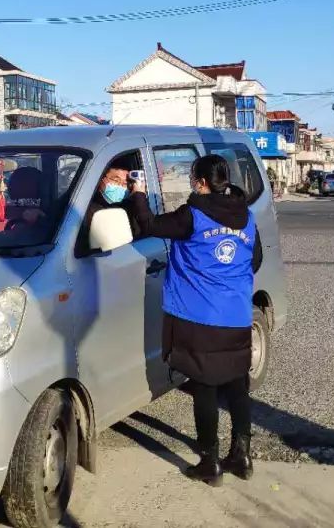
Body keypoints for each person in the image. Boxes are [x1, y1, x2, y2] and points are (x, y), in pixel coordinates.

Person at [128, 154, 261, 485]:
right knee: (236, 384)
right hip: (236, 316)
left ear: (201, 182)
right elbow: (254, 260)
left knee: (204, 386)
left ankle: (209, 461)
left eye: (192, 178)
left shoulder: (193, 214)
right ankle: (242, 457)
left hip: (200, 317)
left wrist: (139, 194)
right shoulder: (247, 216)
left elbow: (149, 226)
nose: (191, 183)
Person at [74, 160, 141, 256]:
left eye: (125, 183)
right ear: (102, 179)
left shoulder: (130, 206)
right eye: (116, 180)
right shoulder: (86, 207)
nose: (121, 186)